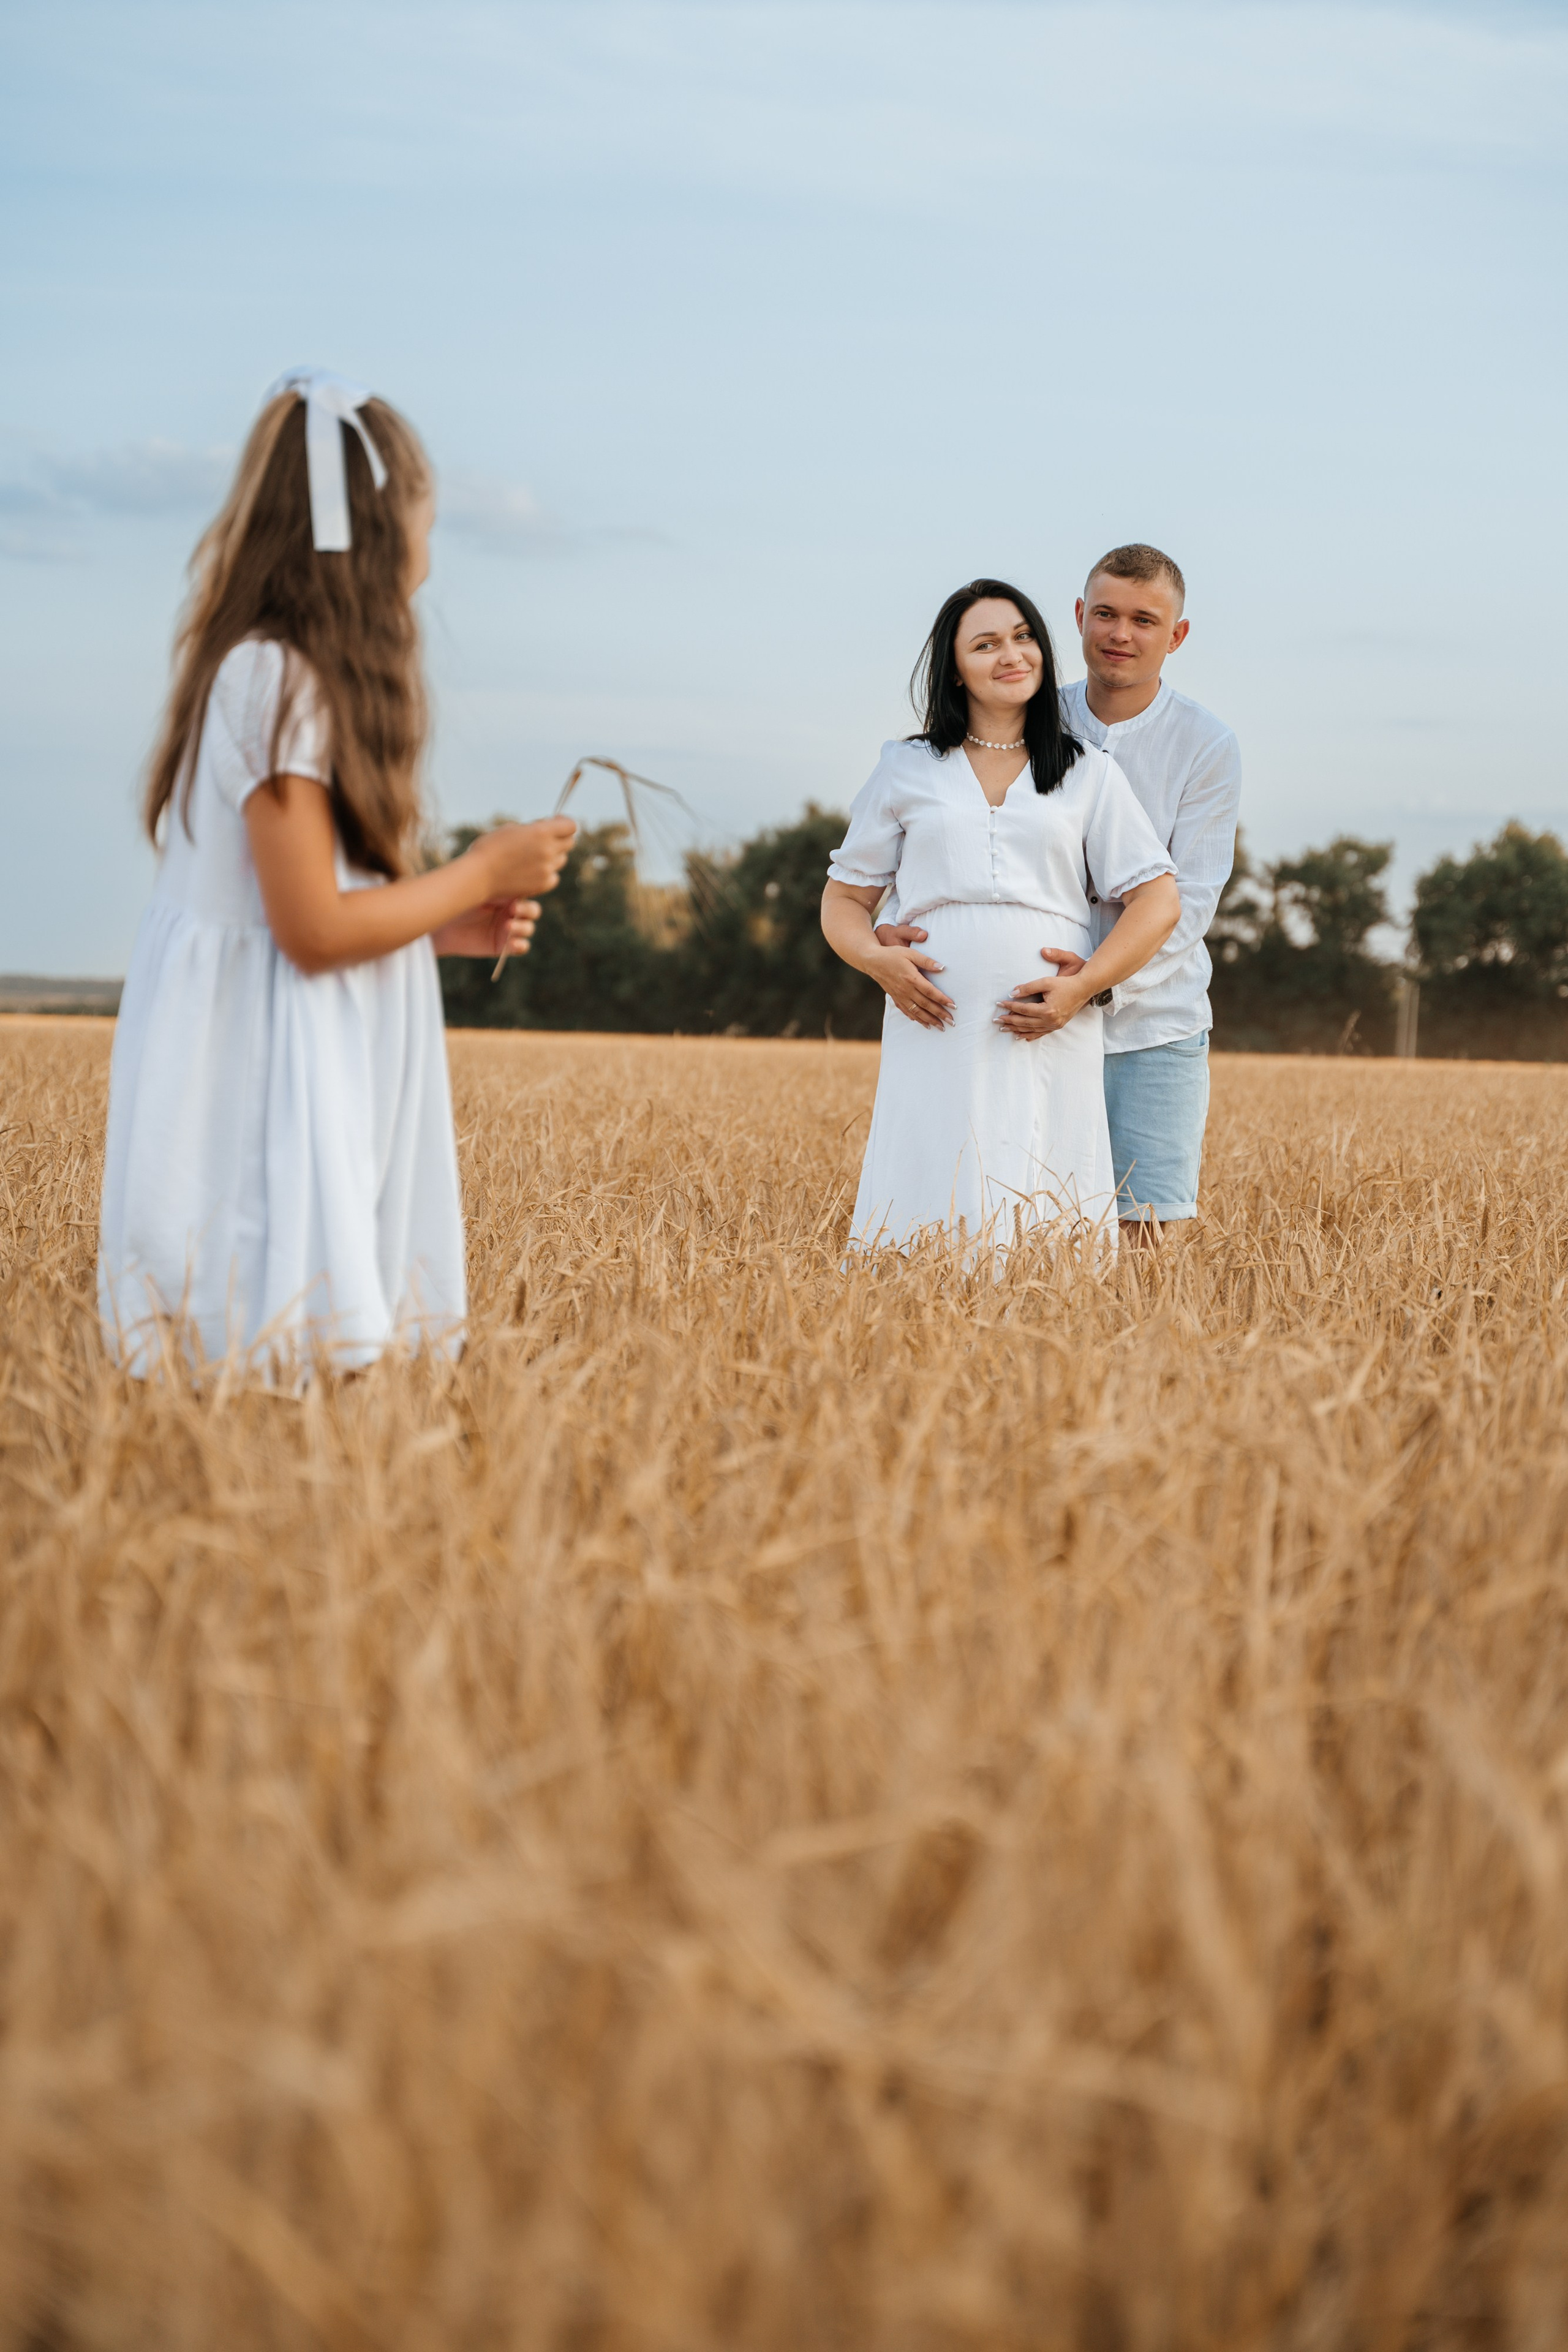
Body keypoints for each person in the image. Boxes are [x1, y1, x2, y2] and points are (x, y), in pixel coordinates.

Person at [98, 369, 576, 1377]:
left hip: (281, 1036)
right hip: (262, 1065)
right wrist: (478, 867)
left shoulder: (263, 672)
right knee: (271, 1330)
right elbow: (312, 932)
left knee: (288, 1347)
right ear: (369, 533)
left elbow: (296, 908)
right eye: (423, 526)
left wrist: (436, 927)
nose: (429, 560)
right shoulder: (273, 679)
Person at [880, 545, 1240, 1238]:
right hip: (1013, 1018)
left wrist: (1090, 988)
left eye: (1144, 620)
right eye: (1104, 614)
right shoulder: (1027, 716)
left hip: (1150, 1024)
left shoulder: (1206, 745)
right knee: (1017, 1225)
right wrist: (898, 926)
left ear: (1177, 635)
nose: (1120, 635)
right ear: (1077, 617)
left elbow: (1187, 903)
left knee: (1147, 1236)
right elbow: (956, 840)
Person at [820, 578, 1180, 1262]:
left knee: (1043, 1187)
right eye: (985, 644)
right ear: (954, 668)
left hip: (1047, 1023)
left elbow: (1158, 900)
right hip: (934, 1016)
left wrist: (1082, 987)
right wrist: (875, 959)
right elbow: (843, 899)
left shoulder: (1086, 772)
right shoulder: (906, 766)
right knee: (930, 1182)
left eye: (1022, 637)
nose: (1011, 655)